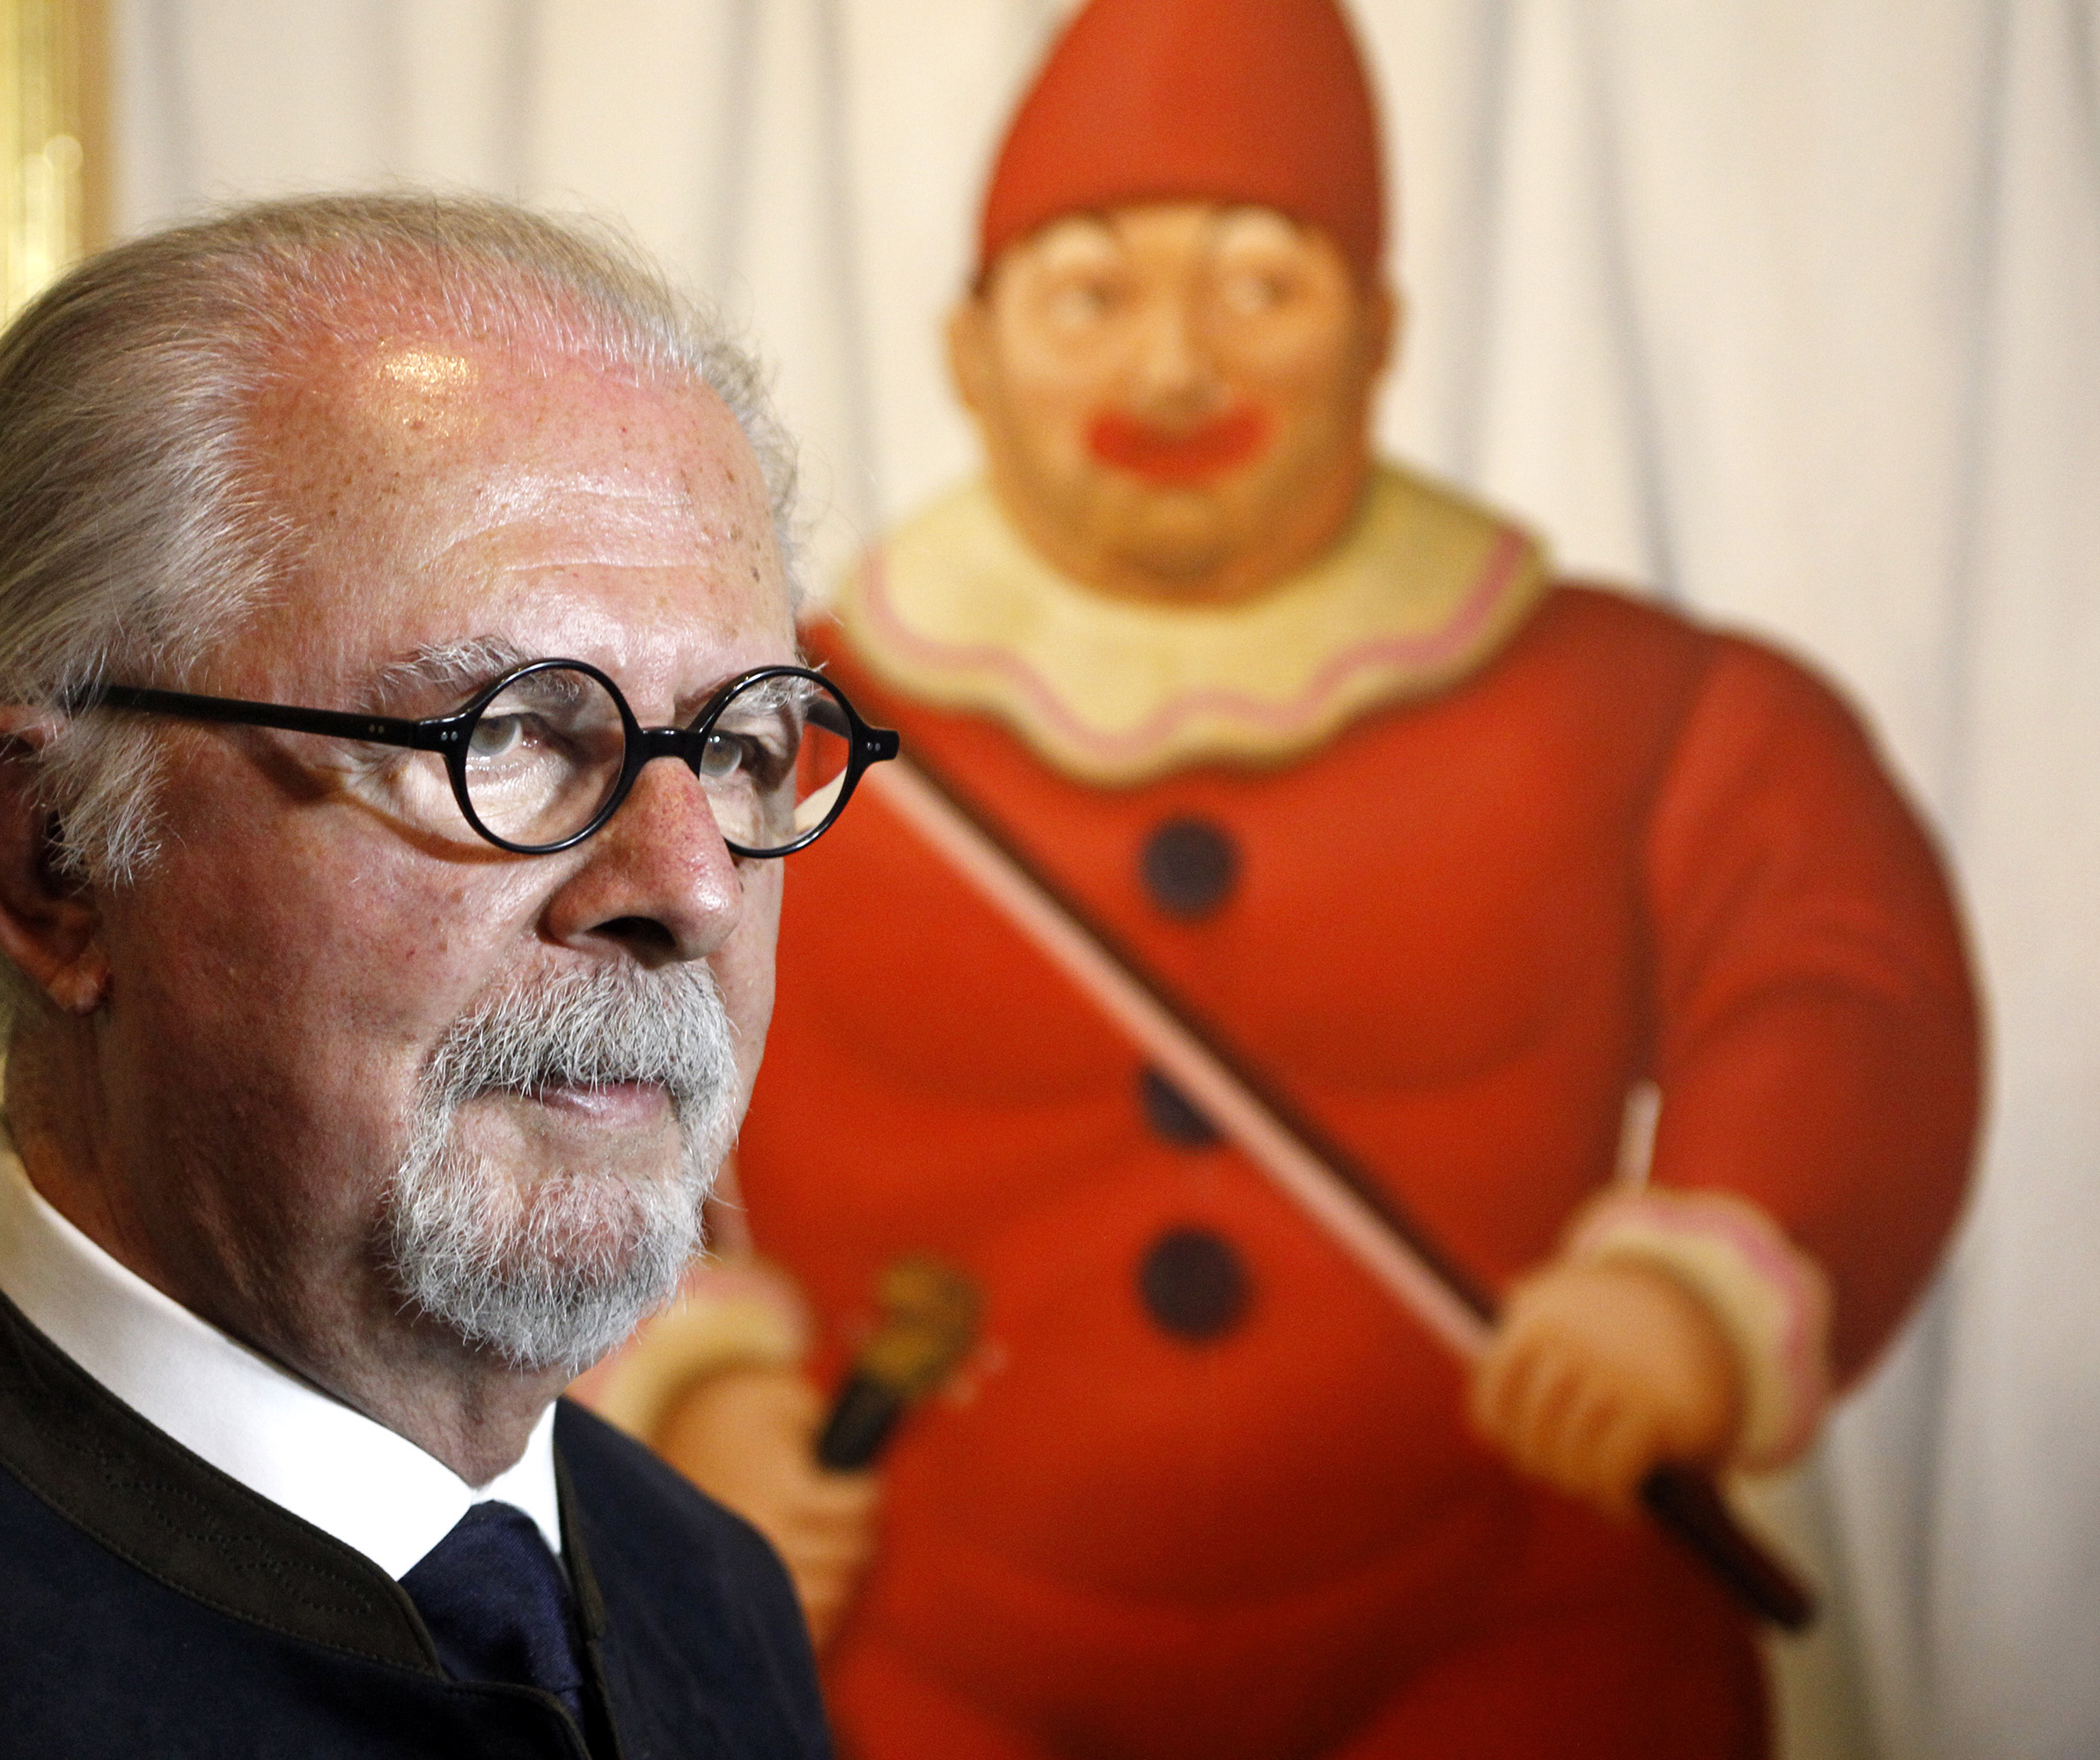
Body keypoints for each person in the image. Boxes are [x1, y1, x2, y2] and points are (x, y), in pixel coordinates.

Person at [576, 3, 1980, 1756]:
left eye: (1261, 286)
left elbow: (1841, 983)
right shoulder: (769, 723)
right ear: (971, 347)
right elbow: (576, 1039)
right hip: (939, 1665)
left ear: (1383, 330)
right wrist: (689, 1389)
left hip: (1507, 1641)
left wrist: (1696, 1288)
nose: (1175, 369)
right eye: (1090, 294)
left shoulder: (1646, 706)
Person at [0, 193, 886, 1756]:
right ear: (48, 857)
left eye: (744, 747)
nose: (687, 886)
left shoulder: (717, 1600)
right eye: (512, 734)